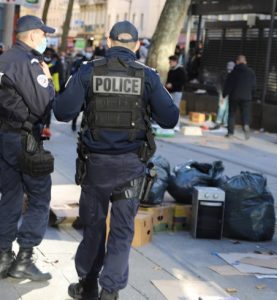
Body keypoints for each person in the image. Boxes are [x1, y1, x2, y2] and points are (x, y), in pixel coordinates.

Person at [53, 20, 179, 300]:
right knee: (122, 231)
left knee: (94, 228)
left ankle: (87, 284)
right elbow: (170, 118)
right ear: (135, 45)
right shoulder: (148, 76)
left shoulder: (87, 71)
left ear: (109, 42)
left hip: (95, 167)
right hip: (131, 168)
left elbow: (62, 112)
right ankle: (110, 292)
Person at [0, 15, 55, 281]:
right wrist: (50, 81)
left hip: (4, 137)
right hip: (24, 140)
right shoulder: (30, 63)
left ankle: (2, 257)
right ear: (33, 35)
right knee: (40, 196)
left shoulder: (3, 59)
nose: (45, 39)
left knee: (10, 195)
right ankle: (24, 258)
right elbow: (42, 103)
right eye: (44, 34)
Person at [223, 55, 256, 140]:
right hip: (247, 97)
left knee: (232, 114)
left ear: (237, 62)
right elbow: (253, 86)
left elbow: (228, 84)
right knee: (245, 114)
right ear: (245, 62)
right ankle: (246, 125)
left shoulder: (233, 72)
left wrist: (224, 94)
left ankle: (230, 133)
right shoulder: (251, 72)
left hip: (234, 96)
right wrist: (252, 95)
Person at [211, 61, 235, 130]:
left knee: (227, 108)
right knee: (222, 107)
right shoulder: (223, 74)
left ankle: (225, 122)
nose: (229, 70)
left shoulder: (234, 74)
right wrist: (220, 93)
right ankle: (219, 121)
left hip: (230, 94)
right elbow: (218, 83)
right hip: (223, 93)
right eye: (229, 68)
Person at [165, 54, 186, 131]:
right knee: (169, 108)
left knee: (175, 108)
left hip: (177, 92)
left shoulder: (180, 70)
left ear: (175, 62)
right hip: (170, 92)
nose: (170, 63)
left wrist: (172, 85)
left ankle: (177, 125)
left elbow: (183, 82)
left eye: (171, 62)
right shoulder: (171, 70)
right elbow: (168, 80)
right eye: (169, 62)